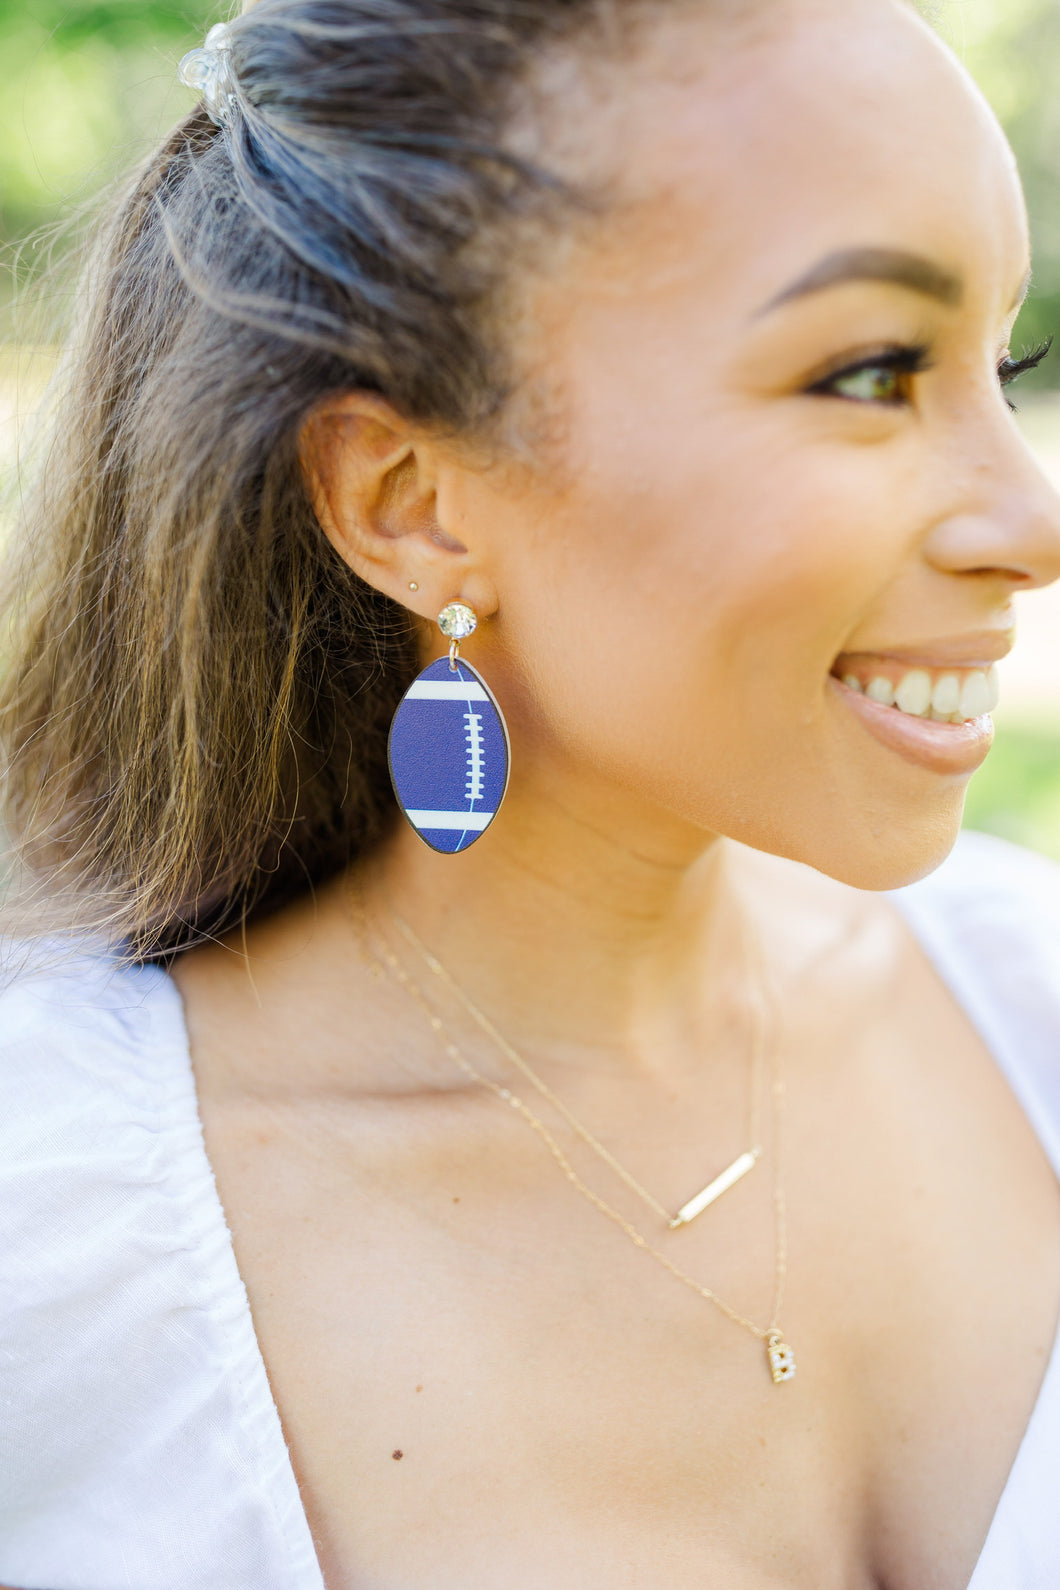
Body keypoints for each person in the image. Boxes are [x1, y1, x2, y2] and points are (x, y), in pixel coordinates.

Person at [2, 0, 1060, 1584]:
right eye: (870, 372)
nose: (1030, 520)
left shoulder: (1030, 997)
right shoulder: (62, 1264)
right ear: (411, 503)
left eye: (1006, 363)